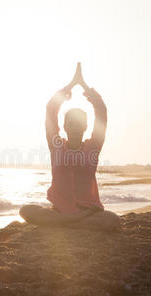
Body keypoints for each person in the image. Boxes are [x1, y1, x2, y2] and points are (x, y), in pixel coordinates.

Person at [19, 63, 120, 231]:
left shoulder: (92, 147)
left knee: (112, 220)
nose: (74, 127)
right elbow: (51, 109)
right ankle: (76, 221)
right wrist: (71, 85)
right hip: (60, 210)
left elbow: (101, 112)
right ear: (64, 127)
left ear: (85, 127)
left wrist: (85, 86)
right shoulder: (56, 146)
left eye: (79, 124)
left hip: (88, 211)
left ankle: (66, 222)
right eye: (70, 124)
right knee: (25, 210)